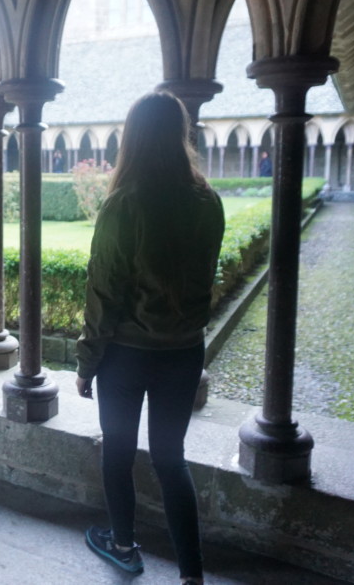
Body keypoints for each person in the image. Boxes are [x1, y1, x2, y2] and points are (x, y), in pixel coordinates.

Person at [75, 92, 224, 584]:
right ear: (181, 135)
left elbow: (103, 292)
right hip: (182, 353)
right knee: (169, 457)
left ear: (132, 138)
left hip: (126, 355)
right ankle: (192, 575)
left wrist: (87, 362)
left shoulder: (123, 205)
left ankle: (122, 546)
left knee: (117, 449)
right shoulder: (208, 201)